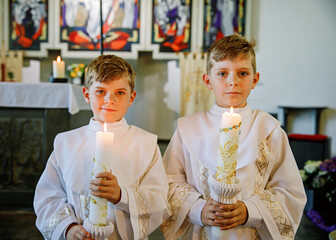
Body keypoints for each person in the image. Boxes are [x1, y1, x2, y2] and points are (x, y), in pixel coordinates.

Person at [161, 34, 307, 239]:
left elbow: (290, 192)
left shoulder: (269, 130)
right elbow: (167, 183)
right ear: (207, 80)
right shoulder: (188, 129)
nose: (233, 82)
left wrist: (250, 211)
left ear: (255, 79)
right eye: (222, 73)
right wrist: (198, 209)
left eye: (243, 73)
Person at [34, 54, 170, 240]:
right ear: (86, 95)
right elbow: (47, 197)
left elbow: (159, 199)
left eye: (120, 93)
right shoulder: (66, 142)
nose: (109, 100)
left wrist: (121, 195)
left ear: (131, 98)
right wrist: (68, 228)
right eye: (100, 91)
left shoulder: (146, 143)